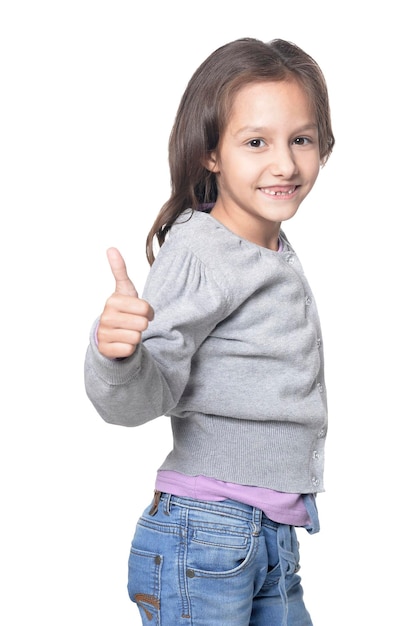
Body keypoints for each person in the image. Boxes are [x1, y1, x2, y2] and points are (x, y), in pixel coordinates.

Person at [84, 37, 334, 626]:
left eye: (301, 139)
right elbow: (144, 395)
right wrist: (117, 357)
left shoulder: (265, 248)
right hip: (209, 533)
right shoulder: (202, 251)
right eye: (256, 143)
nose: (286, 164)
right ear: (210, 154)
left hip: (268, 536)